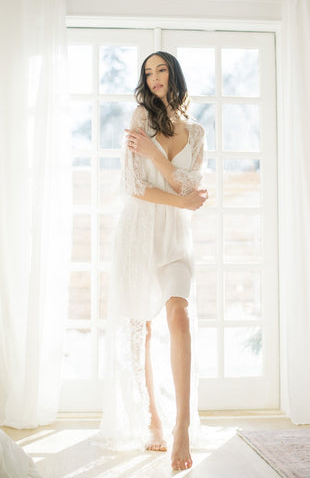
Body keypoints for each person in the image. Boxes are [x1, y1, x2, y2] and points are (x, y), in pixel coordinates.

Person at [97, 51, 208, 471]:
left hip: (176, 237)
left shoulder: (196, 132)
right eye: (148, 72)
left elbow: (190, 185)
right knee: (141, 329)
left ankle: (182, 426)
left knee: (179, 315)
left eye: (161, 69)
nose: (154, 77)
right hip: (139, 232)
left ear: (174, 73)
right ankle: (154, 422)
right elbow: (134, 186)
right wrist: (182, 197)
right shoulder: (139, 117)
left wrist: (159, 158)